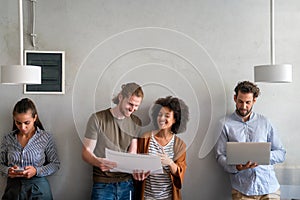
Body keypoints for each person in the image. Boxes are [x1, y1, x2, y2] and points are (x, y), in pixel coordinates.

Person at [215, 81, 286, 200]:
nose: (243, 106)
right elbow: (219, 156)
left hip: (269, 187)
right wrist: (236, 167)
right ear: (235, 98)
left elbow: (281, 153)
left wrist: (262, 156)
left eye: (248, 102)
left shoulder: (265, 122)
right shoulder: (224, 124)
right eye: (240, 101)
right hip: (242, 189)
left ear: (254, 100)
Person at [82, 82, 144, 200]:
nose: (133, 109)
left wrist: (138, 169)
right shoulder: (97, 119)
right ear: (121, 97)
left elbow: (132, 153)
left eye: (136, 106)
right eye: (130, 104)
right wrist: (98, 161)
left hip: (127, 183)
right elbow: (86, 152)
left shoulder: (136, 122)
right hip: (103, 183)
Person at [0, 98, 60, 200]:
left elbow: (55, 164)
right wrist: (8, 170)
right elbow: (0, 163)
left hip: (39, 189)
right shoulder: (8, 138)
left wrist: (36, 171)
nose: (22, 127)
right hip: (13, 189)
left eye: (27, 123)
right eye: (18, 123)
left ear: (34, 118)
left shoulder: (45, 137)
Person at [135, 96, 189, 200]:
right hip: (146, 196)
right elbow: (135, 165)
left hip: (168, 197)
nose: (162, 118)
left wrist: (170, 163)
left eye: (167, 115)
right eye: (159, 115)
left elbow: (180, 173)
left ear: (175, 119)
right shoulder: (145, 138)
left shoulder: (179, 145)